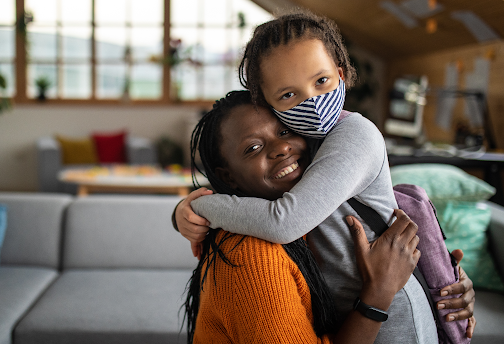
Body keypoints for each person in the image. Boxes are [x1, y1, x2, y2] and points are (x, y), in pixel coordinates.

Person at [175, 9, 476, 343]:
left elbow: (283, 222)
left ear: (341, 73)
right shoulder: (306, 143)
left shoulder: (353, 135)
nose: (313, 102)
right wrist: (184, 210)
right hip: (355, 312)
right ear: (270, 101)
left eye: (321, 81)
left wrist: (202, 207)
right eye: (289, 95)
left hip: (395, 309)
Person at [184, 90, 422, 343]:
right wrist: (378, 293)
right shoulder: (250, 255)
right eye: (253, 148)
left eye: (285, 131)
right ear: (229, 177)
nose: (281, 148)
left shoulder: (310, 219)